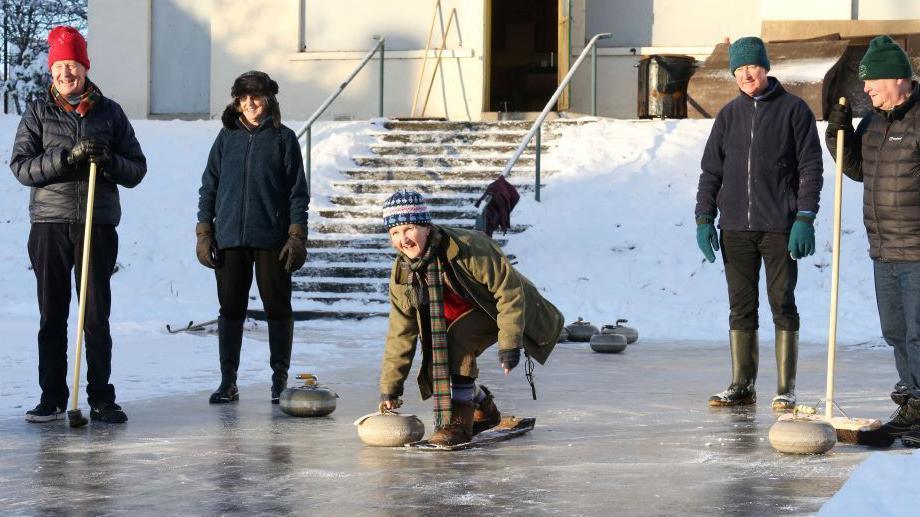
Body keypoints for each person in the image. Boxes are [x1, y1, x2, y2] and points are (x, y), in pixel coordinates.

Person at [10, 26, 147, 424]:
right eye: (59, 66)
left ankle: (101, 397)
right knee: (52, 314)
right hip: (50, 224)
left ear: (85, 68)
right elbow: (21, 167)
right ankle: (52, 396)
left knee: (95, 315)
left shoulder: (111, 112)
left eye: (73, 64)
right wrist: (68, 157)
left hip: (96, 224)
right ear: (51, 70)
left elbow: (137, 169)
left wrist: (108, 162)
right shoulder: (38, 111)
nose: (66, 72)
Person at [695, 37, 824, 411]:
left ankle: (786, 388)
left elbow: (810, 169)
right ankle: (742, 384)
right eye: (739, 69)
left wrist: (805, 217)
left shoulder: (794, 111)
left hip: (780, 226)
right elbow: (710, 172)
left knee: (782, 302)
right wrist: (704, 217)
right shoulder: (728, 116)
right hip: (734, 227)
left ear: (765, 68)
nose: (747, 74)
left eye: (752, 66)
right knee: (741, 307)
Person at [377, 190, 564, 446]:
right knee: (440, 354)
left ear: (427, 227)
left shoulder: (469, 247)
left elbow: (508, 293)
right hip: (454, 316)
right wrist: (391, 387)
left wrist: (509, 344)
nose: (403, 240)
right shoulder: (403, 273)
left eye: (408, 229)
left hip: (499, 308)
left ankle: (457, 426)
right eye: (394, 233)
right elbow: (401, 330)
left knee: (456, 340)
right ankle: (482, 407)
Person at [825, 35, 920, 447]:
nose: (864, 89)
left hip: (917, 248)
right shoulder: (874, 122)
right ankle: (913, 406)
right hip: (884, 249)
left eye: (871, 81)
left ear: (898, 78)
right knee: (897, 332)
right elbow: (860, 170)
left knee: (919, 333)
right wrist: (837, 137)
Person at [197, 71, 308, 405]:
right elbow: (208, 187)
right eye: (243, 98)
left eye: (256, 96)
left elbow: (297, 193)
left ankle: (279, 380)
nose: (250, 103)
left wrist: (296, 235)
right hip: (230, 238)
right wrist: (205, 231)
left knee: (277, 308)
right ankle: (227, 381)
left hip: (271, 239)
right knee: (230, 310)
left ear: (269, 99)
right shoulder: (225, 138)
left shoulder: (283, 139)